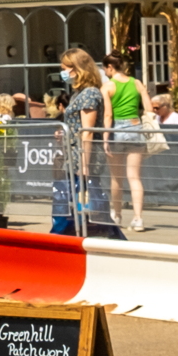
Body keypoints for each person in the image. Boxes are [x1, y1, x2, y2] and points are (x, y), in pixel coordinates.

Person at [56, 49, 112, 236]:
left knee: (88, 206)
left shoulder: (89, 94)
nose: (62, 72)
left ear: (77, 69)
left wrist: (85, 165)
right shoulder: (78, 94)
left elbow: (87, 132)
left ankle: (100, 237)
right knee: (79, 205)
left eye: (65, 68)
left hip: (83, 159)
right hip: (74, 157)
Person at [104, 53, 147, 231]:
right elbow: (149, 106)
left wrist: (105, 138)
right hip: (136, 126)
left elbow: (108, 114)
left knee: (116, 177)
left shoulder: (107, 86)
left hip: (116, 130)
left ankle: (117, 214)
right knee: (134, 177)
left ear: (110, 68)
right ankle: (138, 218)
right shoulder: (136, 83)